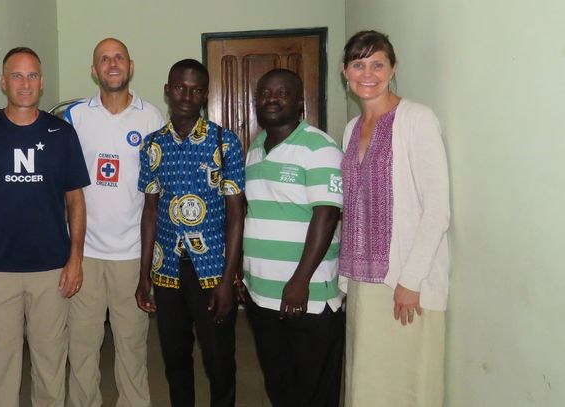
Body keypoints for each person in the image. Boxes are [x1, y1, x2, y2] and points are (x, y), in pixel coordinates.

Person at [0, 47, 90, 407]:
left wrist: (76, 258)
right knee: (0, 366)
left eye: (32, 75)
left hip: (51, 269)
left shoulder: (62, 133)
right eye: (17, 75)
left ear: (42, 82)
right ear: (3, 82)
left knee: (50, 363)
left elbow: (75, 200)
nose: (25, 83)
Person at [339, 30, 450, 407]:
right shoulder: (351, 130)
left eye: (377, 64)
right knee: (366, 384)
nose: (367, 73)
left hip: (403, 279)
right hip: (361, 281)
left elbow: (437, 207)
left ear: (392, 69)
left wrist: (411, 279)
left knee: (404, 386)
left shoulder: (417, 119)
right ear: (345, 72)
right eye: (358, 64)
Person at [136, 59, 245, 407]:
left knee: (219, 360)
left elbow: (236, 216)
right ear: (167, 91)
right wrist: (144, 275)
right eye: (179, 87)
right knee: (175, 358)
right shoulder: (153, 146)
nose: (187, 95)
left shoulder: (223, 142)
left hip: (213, 270)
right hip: (167, 269)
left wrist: (229, 279)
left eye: (195, 89)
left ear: (204, 94)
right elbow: (150, 212)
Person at [64, 38, 164, 407]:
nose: (112, 64)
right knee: (82, 346)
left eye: (118, 57)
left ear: (131, 65)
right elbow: (65, 184)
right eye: (103, 59)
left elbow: (157, 191)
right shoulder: (75, 117)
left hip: (132, 254)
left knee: (133, 347)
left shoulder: (151, 117)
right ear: (94, 71)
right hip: (85, 253)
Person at [242, 69, 345, 407]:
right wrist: (247, 275)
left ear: (299, 100)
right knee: (279, 382)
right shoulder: (255, 149)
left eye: (281, 92)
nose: (271, 98)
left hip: (306, 295)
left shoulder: (319, 146)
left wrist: (300, 280)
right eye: (264, 92)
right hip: (262, 295)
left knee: (314, 389)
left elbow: (327, 215)